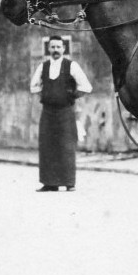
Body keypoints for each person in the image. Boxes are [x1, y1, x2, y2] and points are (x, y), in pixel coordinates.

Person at [30, 36, 93, 191]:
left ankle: (69, 183)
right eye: (53, 47)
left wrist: (71, 96)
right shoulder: (43, 66)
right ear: (49, 49)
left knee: (66, 146)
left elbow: (86, 87)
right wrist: (46, 96)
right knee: (47, 147)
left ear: (64, 49)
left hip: (65, 112)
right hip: (48, 112)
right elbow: (34, 86)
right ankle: (49, 183)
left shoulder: (71, 66)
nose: (56, 50)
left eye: (59, 47)